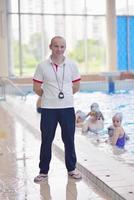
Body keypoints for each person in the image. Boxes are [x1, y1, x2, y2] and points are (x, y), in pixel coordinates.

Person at [33, 36, 82, 182]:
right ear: (50, 47)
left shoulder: (72, 65)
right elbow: (36, 88)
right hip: (48, 108)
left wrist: (64, 96)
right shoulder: (42, 66)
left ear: (65, 48)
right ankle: (43, 171)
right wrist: (49, 96)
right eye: (56, 46)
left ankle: (72, 169)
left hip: (67, 108)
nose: (59, 49)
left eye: (62, 46)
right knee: (46, 140)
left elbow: (76, 86)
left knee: (69, 139)